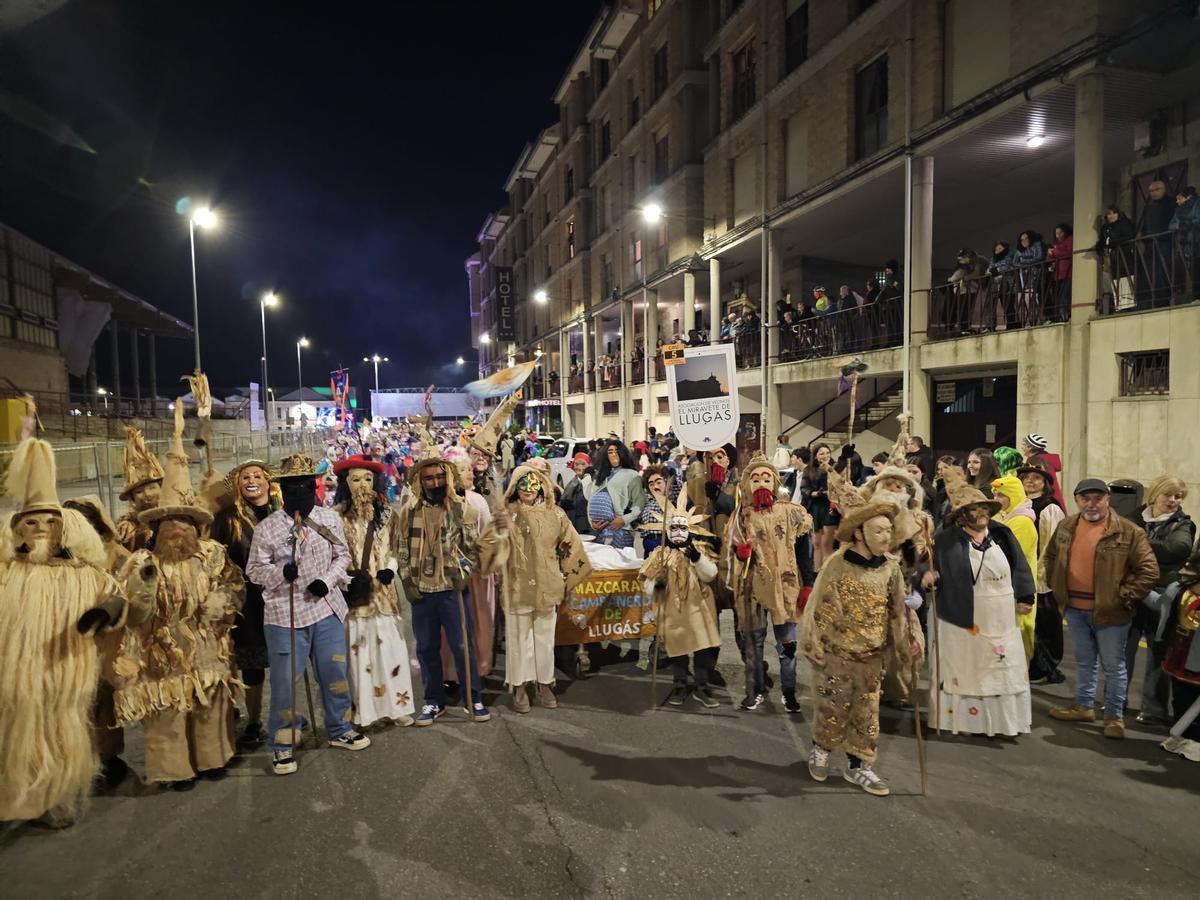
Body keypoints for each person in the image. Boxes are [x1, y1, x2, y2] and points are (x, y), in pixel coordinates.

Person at [0, 436, 132, 827]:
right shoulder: (7, 573)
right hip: (14, 678)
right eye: (31, 522)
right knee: (14, 737)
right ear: (18, 529)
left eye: (49, 523)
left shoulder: (84, 574)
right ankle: (17, 801)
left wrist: (105, 613)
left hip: (64, 675)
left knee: (62, 737)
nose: (41, 529)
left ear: (64, 530)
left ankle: (57, 798)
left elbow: (114, 597)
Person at [114, 409, 245, 788]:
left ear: (196, 526)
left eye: (184, 521)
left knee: (209, 704)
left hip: (206, 643)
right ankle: (175, 770)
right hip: (162, 648)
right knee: (168, 711)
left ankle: (213, 758)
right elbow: (131, 606)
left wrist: (222, 600)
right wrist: (144, 588)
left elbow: (235, 584)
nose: (177, 527)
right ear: (154, 527)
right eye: (168, 521)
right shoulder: (143, 560)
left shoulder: (213, 554)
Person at [246, 453, 371, 775]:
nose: (298, 489)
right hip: (285, 616)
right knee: (285, 683)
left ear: (313, 485)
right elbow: (254, 570)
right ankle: (283, 743)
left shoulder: (328, 520)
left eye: (304, 483)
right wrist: (279, 574)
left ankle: (340, 728)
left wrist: (326, 582)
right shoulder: (268, 529)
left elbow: (342, 556)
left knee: (334, 675)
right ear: (282, 489)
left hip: (326, 610)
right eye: (291, 485)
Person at [800, 493, 920, 796]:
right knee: (832, 707)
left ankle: (860, 766)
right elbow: (821, 606)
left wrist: (907, 641)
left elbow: (897, 610)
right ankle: (822, 750)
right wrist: (815, 641)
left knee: (866, 713)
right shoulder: (837, 565)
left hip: (872, 656)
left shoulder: (890, 567)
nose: (885, 536)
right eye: (877, 530)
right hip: (837, 654)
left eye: (887, 530)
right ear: (859, 533)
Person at [1044, 478, 1159, 739]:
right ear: (1077, 500)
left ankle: (1114, 717)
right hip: (1074, 608)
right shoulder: (1066, 526)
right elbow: (1051, 557)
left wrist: (1125, 596)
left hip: (1111, 612)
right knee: (1085, 662)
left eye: (1098, 498)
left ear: (1108, 499)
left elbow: (1149, 570)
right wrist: (1056, 583)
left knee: (1114, 666)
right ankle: (1084, 706)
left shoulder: (1128, 531)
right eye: (1085, 498)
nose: (1091, 503)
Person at [923, 476, 1034, 737]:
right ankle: (961, 722)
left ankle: (1000, 723)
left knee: (999, 667)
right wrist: (927, 578)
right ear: (961, 516)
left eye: (984, 509)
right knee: (962, 668)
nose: (981, 515)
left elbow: (1020, 565)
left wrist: (1025, 595)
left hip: (999, 617)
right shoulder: (946, 539)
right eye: (974, 510)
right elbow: (925, 566)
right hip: (961, 616)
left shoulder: (1001, 534)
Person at [395, 439, 490, 725]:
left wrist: (463, 571)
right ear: (420, 482)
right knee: (426, 648)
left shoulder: (463, 510)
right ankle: (433, 701)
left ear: (446, 477)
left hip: (452, 591)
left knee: (462, 646)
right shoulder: (408, 513)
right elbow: (401, 550)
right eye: (428, 478)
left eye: (438, 476)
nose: (434, 482)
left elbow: (473, 548)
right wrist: (407, 581)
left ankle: (473, 698)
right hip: (422, 592)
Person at [481, 465, 590, 713]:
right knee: (519, 640)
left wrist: (568, 580)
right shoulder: (504, 515)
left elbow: (571, 548)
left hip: (547, 584)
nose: (528, 489)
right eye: (522, 483)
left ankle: (544, 683)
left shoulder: (557, 514)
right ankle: (519, 685)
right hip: (517, 586)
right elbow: (488, 551)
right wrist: (494, 534)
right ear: (515, 487)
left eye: (533, 483)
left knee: (544, 638)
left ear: (542, 484)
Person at [723, 453, 813, 712]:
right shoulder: (741, 517)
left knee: (788, 646)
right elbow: (729, 554)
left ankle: (789, 692)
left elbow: (805, 550)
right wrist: (739, 555)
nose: (761, 484)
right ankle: (756, 690)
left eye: (766, 479)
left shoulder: (792, 513)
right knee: (754, 644)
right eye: (755, 480)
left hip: (785, 588)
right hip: (753, 588)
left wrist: (808, 583)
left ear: (774, 483)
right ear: (748, 485)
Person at [333, 454, 417, 729]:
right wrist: (345, 579)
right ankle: (364, 712)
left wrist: (390, 569)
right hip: (356, 599)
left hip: (384, 596)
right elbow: (330, 556)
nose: (362, 485)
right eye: (356, 479)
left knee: (391, 650)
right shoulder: (334, 518)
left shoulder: (387, 516)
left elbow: (396, 548)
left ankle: (397, 706)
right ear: (345, 483)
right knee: (360, 656)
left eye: (368, 479)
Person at [209, 460, 279, 747]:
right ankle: (253, 720)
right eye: (245, 477)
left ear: (267, 481)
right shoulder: (226, 519)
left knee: (286, 661)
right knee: (251, 664)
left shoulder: (283, 513)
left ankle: (285, 716)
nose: (252, 480)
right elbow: (215, 558)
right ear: (238, 484)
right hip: (247, 603)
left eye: (257, 476)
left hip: (283, 597)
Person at [1126, 475, 1195, 726]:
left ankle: (1153, 710)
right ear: (1155, 494)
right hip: (1131, 592)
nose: (1174, 501)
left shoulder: (1183, 524)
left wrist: (1137, 543)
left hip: (1162, 595)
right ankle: (1115, 700)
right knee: (1123, 652)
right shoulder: (1135, 516)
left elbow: (1177, 549)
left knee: (1158, 654)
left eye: (1178, 497)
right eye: (1169, 495)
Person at [640, 500, 722, 709]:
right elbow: (647, 585)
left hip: (697, 607)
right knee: (678, 648)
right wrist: (656, 584)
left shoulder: (699, 549)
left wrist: (696, 558)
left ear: (690, 529)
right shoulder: (659, 554)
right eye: (673, 527)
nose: (678, 532)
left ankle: (702, 686)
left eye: (682, 527)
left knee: (701, 645)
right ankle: (679, 684)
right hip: (672, 608)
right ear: (666, 530)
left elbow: (710, 575)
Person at [1015, 463, 1066, 683]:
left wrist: (1041, 575)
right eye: (1027, 477)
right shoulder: (1021, 504)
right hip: (1022, 575)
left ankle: (1046, 667)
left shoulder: (1049, 508)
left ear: (1045, 483)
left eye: (1037, 478)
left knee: (1043, 625)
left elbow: (1051, 545)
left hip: (1039, 577)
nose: (1030, 481)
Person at [990, 475, 1039, 664]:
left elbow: (1010, 557)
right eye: (995, 495)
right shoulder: (1001, 517)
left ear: (1014, 496)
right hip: (1000, 588)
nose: (996, 500)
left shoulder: (1022, 522)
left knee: (1018, 639)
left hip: (1017, 589)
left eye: (1002, 496)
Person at [1157, 548, 1200, 760]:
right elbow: (1163, 609)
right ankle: (1180, 733)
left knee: (1197, 700)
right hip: (1179, 649)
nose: (1183, 572)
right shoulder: (1180, 589)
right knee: (1181, 696)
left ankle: (1196, 740)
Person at [114, 424, 165, 552]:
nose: (147, 494)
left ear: (162, 488)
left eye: (152, 487)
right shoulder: (127, 531)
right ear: (132, 498)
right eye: (139, 491)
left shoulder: (179, 519)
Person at [588, 439, 646, 549]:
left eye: (617, 451)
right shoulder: (600, 476)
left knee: (619, 563)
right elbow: (591, 500)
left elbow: (640, 502)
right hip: (600, 532)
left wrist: (624, 519)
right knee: (602, 564)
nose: (614, 454)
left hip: (622, 531)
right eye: (610, 452)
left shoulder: (632, 475)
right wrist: (593, 523)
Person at [801, 444, 837, 569]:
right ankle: (816, 572)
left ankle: (826, 572)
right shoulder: (808, 470)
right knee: (816, 543)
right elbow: (804, 489)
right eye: (822, 453)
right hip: (815, 506)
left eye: (827, 452)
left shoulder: (835, 468)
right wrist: (816, 493)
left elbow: (840, 485)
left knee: (826, 543)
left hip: (830, 506)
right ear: (815, 456)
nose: (825, 456)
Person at [1141, 179, 1176, 307]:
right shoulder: (1149, 207)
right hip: (1151, 246)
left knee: (1164, 272)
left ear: (1163, 189)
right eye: (1151, 191)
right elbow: (1145, 226)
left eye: (1156, 190)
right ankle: (1153, 301)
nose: (1153, 193)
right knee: (1151, 274)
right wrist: (1146, 239)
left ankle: (1165, 300)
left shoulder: (1171, 204)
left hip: (1165, 243)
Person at [1098, 204, 1137, 310]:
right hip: (1114, 257)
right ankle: (1119, 304)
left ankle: (1129, 304)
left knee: (1126, 278)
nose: (1110, 216)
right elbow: (1102, 241)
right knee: (1116, 279)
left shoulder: (1124, 223)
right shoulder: (1106, 227)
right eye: (1108, 214)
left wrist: (1111, 242)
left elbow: (1128, 236)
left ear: (1117, 213)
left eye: (1112, 213)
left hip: (1125, 255)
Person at [1044, 223, 1073, 322]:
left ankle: (1064, 317)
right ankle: (1061, 316)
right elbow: (1048, 259)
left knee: (1064, 296)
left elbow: (1069, 252)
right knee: (1058, 297)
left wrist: (1054, 252)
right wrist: (1050, 253)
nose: (1058, 235)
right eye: (1056, 233)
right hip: (1057, 275)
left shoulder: (1070, 240)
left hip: (1067, 273)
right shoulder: (1056, 245)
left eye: (1060, 233)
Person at [559, 452, 593, 534]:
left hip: (586, 524)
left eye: (583, 464)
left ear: (589, 465)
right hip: (572, 522)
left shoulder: (591, 482)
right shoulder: (573, 482)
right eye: (576, 464)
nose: (579, 467)